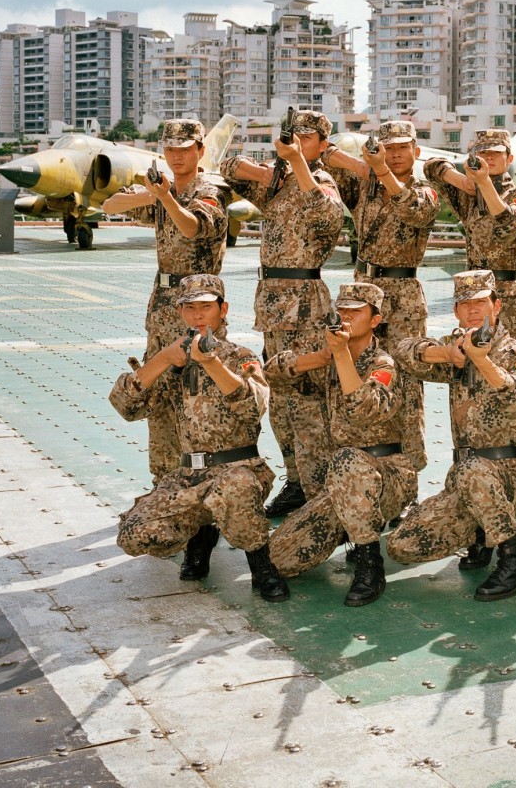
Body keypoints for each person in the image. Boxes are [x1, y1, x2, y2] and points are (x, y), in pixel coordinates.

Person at [109, 274, 288, 603]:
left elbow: (254, 406)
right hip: (189, 476)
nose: (197, 315)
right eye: (189, 308)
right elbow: (126, 407)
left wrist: (211, 362)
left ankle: (261, 563)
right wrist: (162, 359)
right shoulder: (173, 361)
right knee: (134, 535)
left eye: (206, 306)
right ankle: (202, 532)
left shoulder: (241, 356)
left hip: (239, 469)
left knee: (236, 486)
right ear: (180, 313)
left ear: (223, 310)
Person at [387, 271, 516, 602]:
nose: (473, 311)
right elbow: (402, 351)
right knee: (402, 545)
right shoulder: (458, 346)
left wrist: (483, 362)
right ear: (456, 312)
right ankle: (481, 533)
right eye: (465, 304)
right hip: (465, 482)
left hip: (510, 476)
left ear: (497, 306)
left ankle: (512, 562)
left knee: (473, 466)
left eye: (481, 303)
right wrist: (448, 354)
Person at [221, 109, 344, 517]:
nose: (297, 143)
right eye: (293, 136)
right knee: (282, 397)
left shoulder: (321, 181)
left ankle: (318, 485)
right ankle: (296, 480)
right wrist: (269, 171)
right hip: (273, 302)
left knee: (309, 400)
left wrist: (295, 166)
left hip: (305, 300)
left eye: (307, 138)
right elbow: (228, 169)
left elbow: (328, 217)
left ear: (323, 146)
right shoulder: (279, 183)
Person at [266, 283, 417, 607]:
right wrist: (321, 357)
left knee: (349, 460)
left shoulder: (384, 364)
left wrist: (341, 356)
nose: (346, 316)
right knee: (277, 558)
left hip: (386, 478)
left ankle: (369, 563)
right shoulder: (328, 355)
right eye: (343, 310)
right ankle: (351, 526)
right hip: (342, 486)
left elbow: (363, 408)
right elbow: (273, 373)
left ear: (376, 320)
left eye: (356, 311)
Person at [101, 120, 230, 482]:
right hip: (163, 303)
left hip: (200, 305)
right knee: (159, 391)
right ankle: (164, 480)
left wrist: (167, 198)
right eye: (170, 149)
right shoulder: (163, 189)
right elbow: (111, 204)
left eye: (185, 149)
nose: (176, 155)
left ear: (200, 151)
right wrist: (156, 194)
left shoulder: (211, 189)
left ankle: (205, 485)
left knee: (201, 393)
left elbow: (191, 226)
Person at [320, 120, 439, 475]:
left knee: (405, 379)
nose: (396, 154)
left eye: (403, 147)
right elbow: (322, 156)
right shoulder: (363, 184)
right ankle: (361, 465)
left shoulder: (425, 191)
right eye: (389, 147)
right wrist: (361, 166)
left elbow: (413, 211)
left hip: (402, 296)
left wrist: (380, 169)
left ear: (416, 152)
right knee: (357, 374)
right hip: (362, 292)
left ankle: (408, 469)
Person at [422, 129, 516, 340]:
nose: (489, 158)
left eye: (496, 153)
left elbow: (510, 230)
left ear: (509, 158)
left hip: (506, 298)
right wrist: (462, 181)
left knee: (507, 366)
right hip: (472, 297)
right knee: (472, 361)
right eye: (483, 154)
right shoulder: (469, 195)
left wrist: (484, 185)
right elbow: (431, 166)